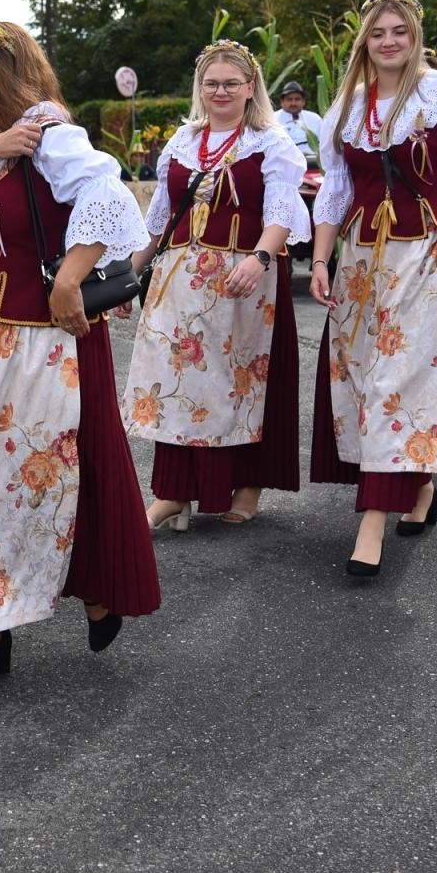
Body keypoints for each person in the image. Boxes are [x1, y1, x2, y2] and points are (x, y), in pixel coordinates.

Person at [0, 15, 159, 691]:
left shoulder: (50, 133)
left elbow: (107, 196)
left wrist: (71, 276)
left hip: (29, 344)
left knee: (31, 483)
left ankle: (34, 610)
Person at [307, 0, 437, 577]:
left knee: (400, 376)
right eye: (378, 33)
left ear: (415, 37)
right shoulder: (345, 109)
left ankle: (372, 520)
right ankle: (418, 489)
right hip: (362, 258)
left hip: (425, 254)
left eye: (400, 32)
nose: (389, 42)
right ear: (364, 40)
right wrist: (319, 260)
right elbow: (336, 192)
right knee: (363, 376)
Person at [125, 41, 311, 530]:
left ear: (251, 89)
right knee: (177, 383)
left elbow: (282, 213)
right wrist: (128, 275)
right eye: (212, 83)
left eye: (232, 83)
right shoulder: (182, 142)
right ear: (200, 88)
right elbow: (158, 221)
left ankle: (247, 483)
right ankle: (172, 493)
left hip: (244, 280)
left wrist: (260, 257)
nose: (221, 91)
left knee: (241, 383)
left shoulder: (271, 143)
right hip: (181, 281)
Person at [274, 80, 322, 161]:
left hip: (313, 163)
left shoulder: (315, 119)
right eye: (289, 99)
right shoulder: (272, 119)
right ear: (282, 102)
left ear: (303, 101)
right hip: (283, 163)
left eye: (297, 99)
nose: (293, 103)